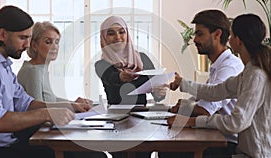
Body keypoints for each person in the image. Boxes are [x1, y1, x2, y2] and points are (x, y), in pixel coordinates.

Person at [0, 5, 100, 158]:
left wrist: (70, 106)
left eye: (28, 38)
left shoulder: (3, 65)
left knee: (89, 154)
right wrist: (46, 114)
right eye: (22, 38)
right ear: (2, 34)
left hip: (10, 142)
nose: (26, 45)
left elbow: (26, 103)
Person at [168, 13, 271, 158]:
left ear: (238, 40)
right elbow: (217, 91)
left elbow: (236, 122)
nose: (229, 39)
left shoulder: (255, 75)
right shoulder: (248, 72)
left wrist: (193, 121)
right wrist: (183, 84)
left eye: (232, 35)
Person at [161, 9, 244, 158]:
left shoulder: (229, 68)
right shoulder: (219, 65)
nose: (195, 40)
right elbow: (205, 98)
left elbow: (206, 109)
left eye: (200, 34)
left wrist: (186, 106)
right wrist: (187, 104)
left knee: (169, 152)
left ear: (217, 34)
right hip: (212, 135)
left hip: (226, 144)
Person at [17, 21, 92, 112]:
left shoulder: (40, 69)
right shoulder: (33, 71)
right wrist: (71, 106)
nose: (54, 47)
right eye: (48, 42)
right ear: (34, 45)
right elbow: (38, 109)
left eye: (56, 42)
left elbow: (51, 100)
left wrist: (74, 104)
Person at [95, 15, 167, 106]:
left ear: (127, 35)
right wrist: (122, 76)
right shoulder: (101, 65)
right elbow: (112, 78)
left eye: (121, 32)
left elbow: (156, 93)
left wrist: (160, 92)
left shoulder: (142, 58)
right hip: (116, 116)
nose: (117, 37)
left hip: (141, 114)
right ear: (104, 38)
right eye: (111, 33)